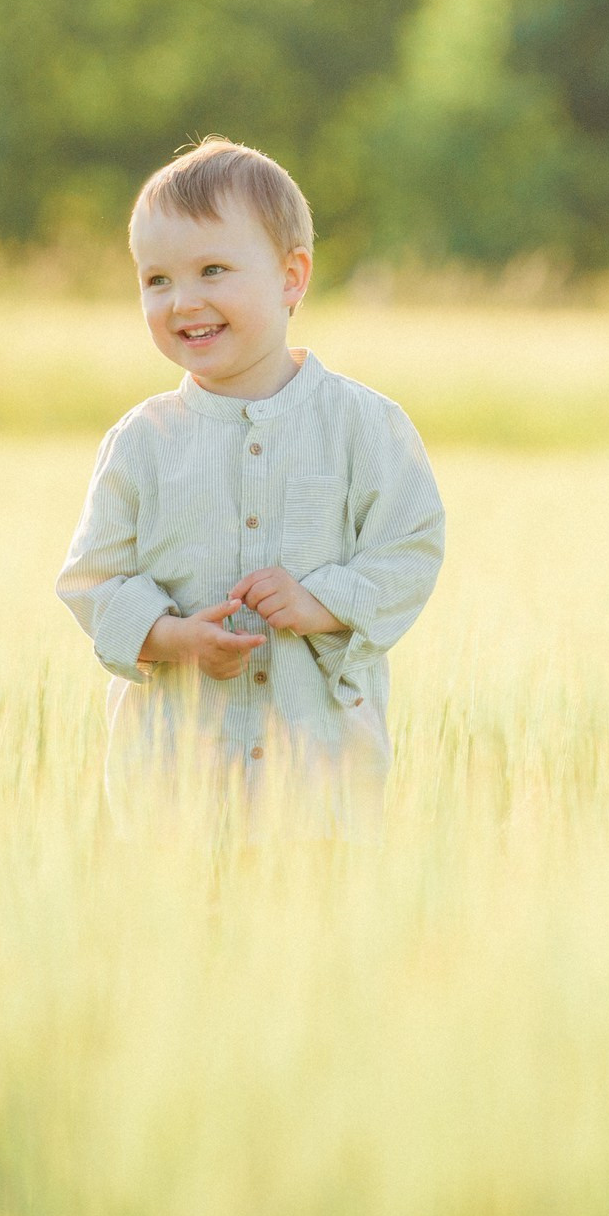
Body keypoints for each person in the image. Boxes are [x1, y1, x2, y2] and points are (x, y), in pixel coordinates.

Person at [54, 138, 446, 837]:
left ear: (293, 277)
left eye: (212, 270)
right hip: (174, 787)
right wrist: (172, 637)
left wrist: (319, 601)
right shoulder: (142, 441)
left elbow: (411, 549)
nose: (183, 301)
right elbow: (92, 581)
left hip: (322, 784)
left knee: (314, 934)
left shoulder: (364, 426)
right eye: (157, 280)